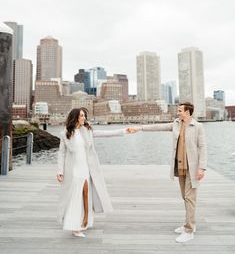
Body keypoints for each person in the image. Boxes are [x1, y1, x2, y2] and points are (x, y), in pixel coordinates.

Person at [56, 107, 136, 237]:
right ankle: (74, 227)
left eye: (84, 116)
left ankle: (85, 221)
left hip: (86, 169)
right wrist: (60, 171)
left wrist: (124, 130)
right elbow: (61, 153)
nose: (84, 118)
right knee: (76, 197)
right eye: (81, 116)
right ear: (75, 117)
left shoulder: (87, 131)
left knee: (86, 196)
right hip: (73, 170)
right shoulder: (66, 133)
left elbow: (105, 133)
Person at [134, 102, 207, 243]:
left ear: (187, 112)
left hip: (192, 168)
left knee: (190, 198)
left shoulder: (198, 126)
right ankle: (191, 224)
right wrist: (140, 128)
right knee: (185, 197)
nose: (178, 112)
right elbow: (158, 127)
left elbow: (203, 147)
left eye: (180, 110)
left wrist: (201, 168)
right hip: (179, 167)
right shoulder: (176, 124)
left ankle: (189, 230)